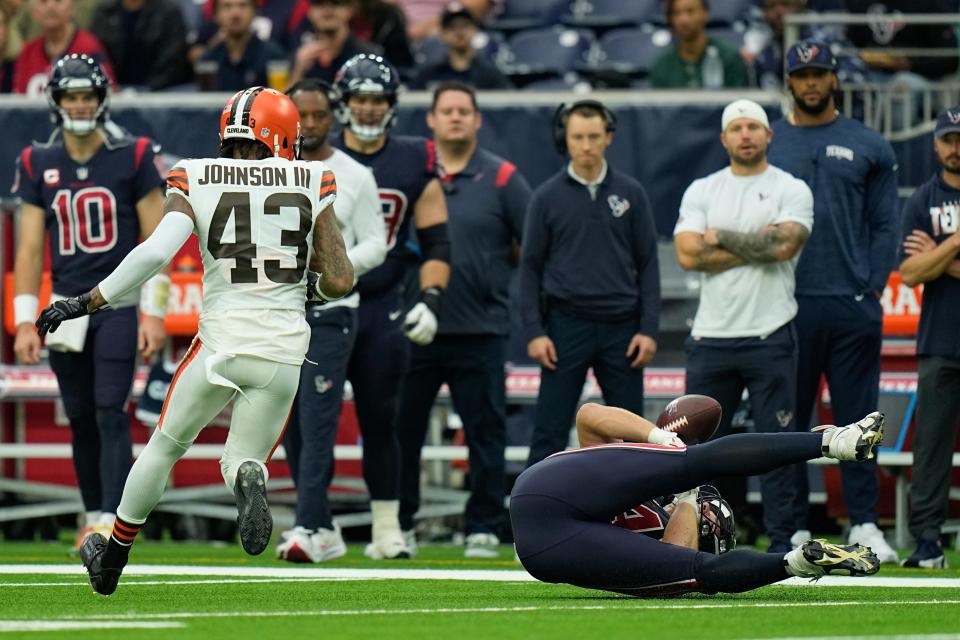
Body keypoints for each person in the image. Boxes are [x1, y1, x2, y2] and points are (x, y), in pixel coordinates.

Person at [38, 85, 354, 596]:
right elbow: (340, 279)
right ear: (283, 135)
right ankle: (250, 476)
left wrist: (87, 301)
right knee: (243, 458)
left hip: (218, 343)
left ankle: (112, 558)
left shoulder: (197, 172)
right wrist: (305, 289)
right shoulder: (314, 176)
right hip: (282, 349)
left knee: (165, 445)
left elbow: (155, 252)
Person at [11, 54, 166, 549]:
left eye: (87, 96)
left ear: (101, 101)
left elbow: (158, 240)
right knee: (79, 415)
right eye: (71, 96)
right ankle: (92, 512)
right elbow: (30, 247)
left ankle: (110, 520)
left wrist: (154, 311)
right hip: (64, 308)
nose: (80, 104)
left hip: (115, 302)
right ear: (56, 102)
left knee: (108, 409)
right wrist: (22, 320)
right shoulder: (38, 160)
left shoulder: (134, 154)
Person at [512, 402, 885, 597]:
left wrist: (689, 495)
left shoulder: (659, 531)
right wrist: (657, 436)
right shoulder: (653, 507)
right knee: (693, 469)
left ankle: (800, 559)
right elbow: (590, 416)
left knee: (696, 470)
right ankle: (794, 562)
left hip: (544, 510)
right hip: (546, 543)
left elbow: (685, 556)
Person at [767, 41, 900, 563]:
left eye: (820, 73)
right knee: (789, 422)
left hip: (851, 304)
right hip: (786, 305)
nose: (812, 82)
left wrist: (871, 284)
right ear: (790, 82)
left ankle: (865, 522)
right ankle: (793, 528)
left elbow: (886, 223)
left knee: (856, 419)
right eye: (803, 75)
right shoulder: (770, 142)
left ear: (835, 79)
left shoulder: (868, 143)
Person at [396, 81, 529, 558]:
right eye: (446, 111)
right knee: (401, 431)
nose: (455, 117)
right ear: (430, 120)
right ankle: (400, 523)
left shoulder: (503, 178)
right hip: (415, 326)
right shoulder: (411, 174)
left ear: (477, 120)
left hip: (481, 328)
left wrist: (489, 276)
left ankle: (484, 525)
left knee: (485, 433)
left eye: (463, 111)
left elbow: (529, 246)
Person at [674, 99, 814, 553]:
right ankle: (705, 541)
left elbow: (785, 246)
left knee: (776, 443)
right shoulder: (702, 189)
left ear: (769, 135)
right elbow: (687, 254)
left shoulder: (790, 188)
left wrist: (720, 237)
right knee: (697, 450)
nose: (746, 134)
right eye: (737, 128)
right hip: (711, 338)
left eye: (754, 126)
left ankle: (784, 540)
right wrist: (758, 242)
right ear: (724, 138)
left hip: (769, 333)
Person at [333, 53, 451, 559]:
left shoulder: (412, 159)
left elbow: (439, 242)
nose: (367, 108)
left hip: (382, 302)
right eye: (359, 98)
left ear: (391, 104)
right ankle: (310, 522)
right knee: (305, 419)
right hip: (323, 302)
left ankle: (388, 526)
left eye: (376, 99)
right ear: (344, 103)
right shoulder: (319, 156)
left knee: (384, 418)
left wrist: (430, 299)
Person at [276, 78, 387, 563]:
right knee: (287, 424)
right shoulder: (268, 171)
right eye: (302, 114)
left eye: (320, 114)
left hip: (330, 312)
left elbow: (375, 243)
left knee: (318, 421)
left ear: (333, 116)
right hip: (278, 309)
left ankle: (307, 524)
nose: (312, 124)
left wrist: (333, 271)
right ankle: (320, 522)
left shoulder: (355, 174)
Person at [519, 99, 660, 468]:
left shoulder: (631, 194)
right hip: (565, 328)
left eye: (594, 136)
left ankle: (636, 518)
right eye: (577, 137)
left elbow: (648, 265)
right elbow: (529, 268)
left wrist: (648, 330)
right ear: (564, 139)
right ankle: (536, 518)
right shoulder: (545, 198)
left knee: (633, 433)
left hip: (623, 330)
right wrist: (535, 331)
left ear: (608, 137)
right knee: (549, 430)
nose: (586, 145)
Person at [896, 106, 960, 569]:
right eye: (949, 139)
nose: (956, 148)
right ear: (936, 144)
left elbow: (927, 265)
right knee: (932, 446)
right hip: (940, 339)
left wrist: (939, 256)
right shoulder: (922, 199)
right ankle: (927, 542)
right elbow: (911, 272)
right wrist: (956, 244)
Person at [749, 0, 867, 91]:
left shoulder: (825, 40)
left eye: (785, 4)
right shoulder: (767, 51)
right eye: (771, 7)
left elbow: (857, 81)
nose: (778, 12)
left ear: (801, 5)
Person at [12, 0, 113, 95]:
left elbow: (108, 94)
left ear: (72, 7)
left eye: (58, 0)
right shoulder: (28, 52)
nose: (51, 7)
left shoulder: (89, 47)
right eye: (43, 1)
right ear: (33, 11)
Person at [89, 0, 190, 90]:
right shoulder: (105, 12)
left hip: (163, 90)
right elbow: (97, 54)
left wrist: (149, 89)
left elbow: (174, 57)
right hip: (117, 91)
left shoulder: (169, 11)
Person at [408, 3, 510, 91]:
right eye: (452, 27)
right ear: (442, 34)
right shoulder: (428, 74)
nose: (459, 32)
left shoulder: (490, 74)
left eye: (465, 25)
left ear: (474, 30)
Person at [650, 0, 748, 89]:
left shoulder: (729, 57)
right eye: (676, 13)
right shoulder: (662, 65)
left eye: (690, 11)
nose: (684, 20)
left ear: (705, 14)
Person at [195, 0, 288, 91]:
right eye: (227, 6)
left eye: (243, 5)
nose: (235, 14)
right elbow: (206, 102)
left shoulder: (272, 55)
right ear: (215, 15)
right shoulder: (209, 58)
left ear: (255, 11)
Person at [288, 0, 379, 86]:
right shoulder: (301, 56)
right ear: (309, 11)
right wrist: (298, 71)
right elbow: (288, 99)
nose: (327, 11)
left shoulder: (367, 56)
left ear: (350, 10)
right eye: (319, 3)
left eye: (336, 3)